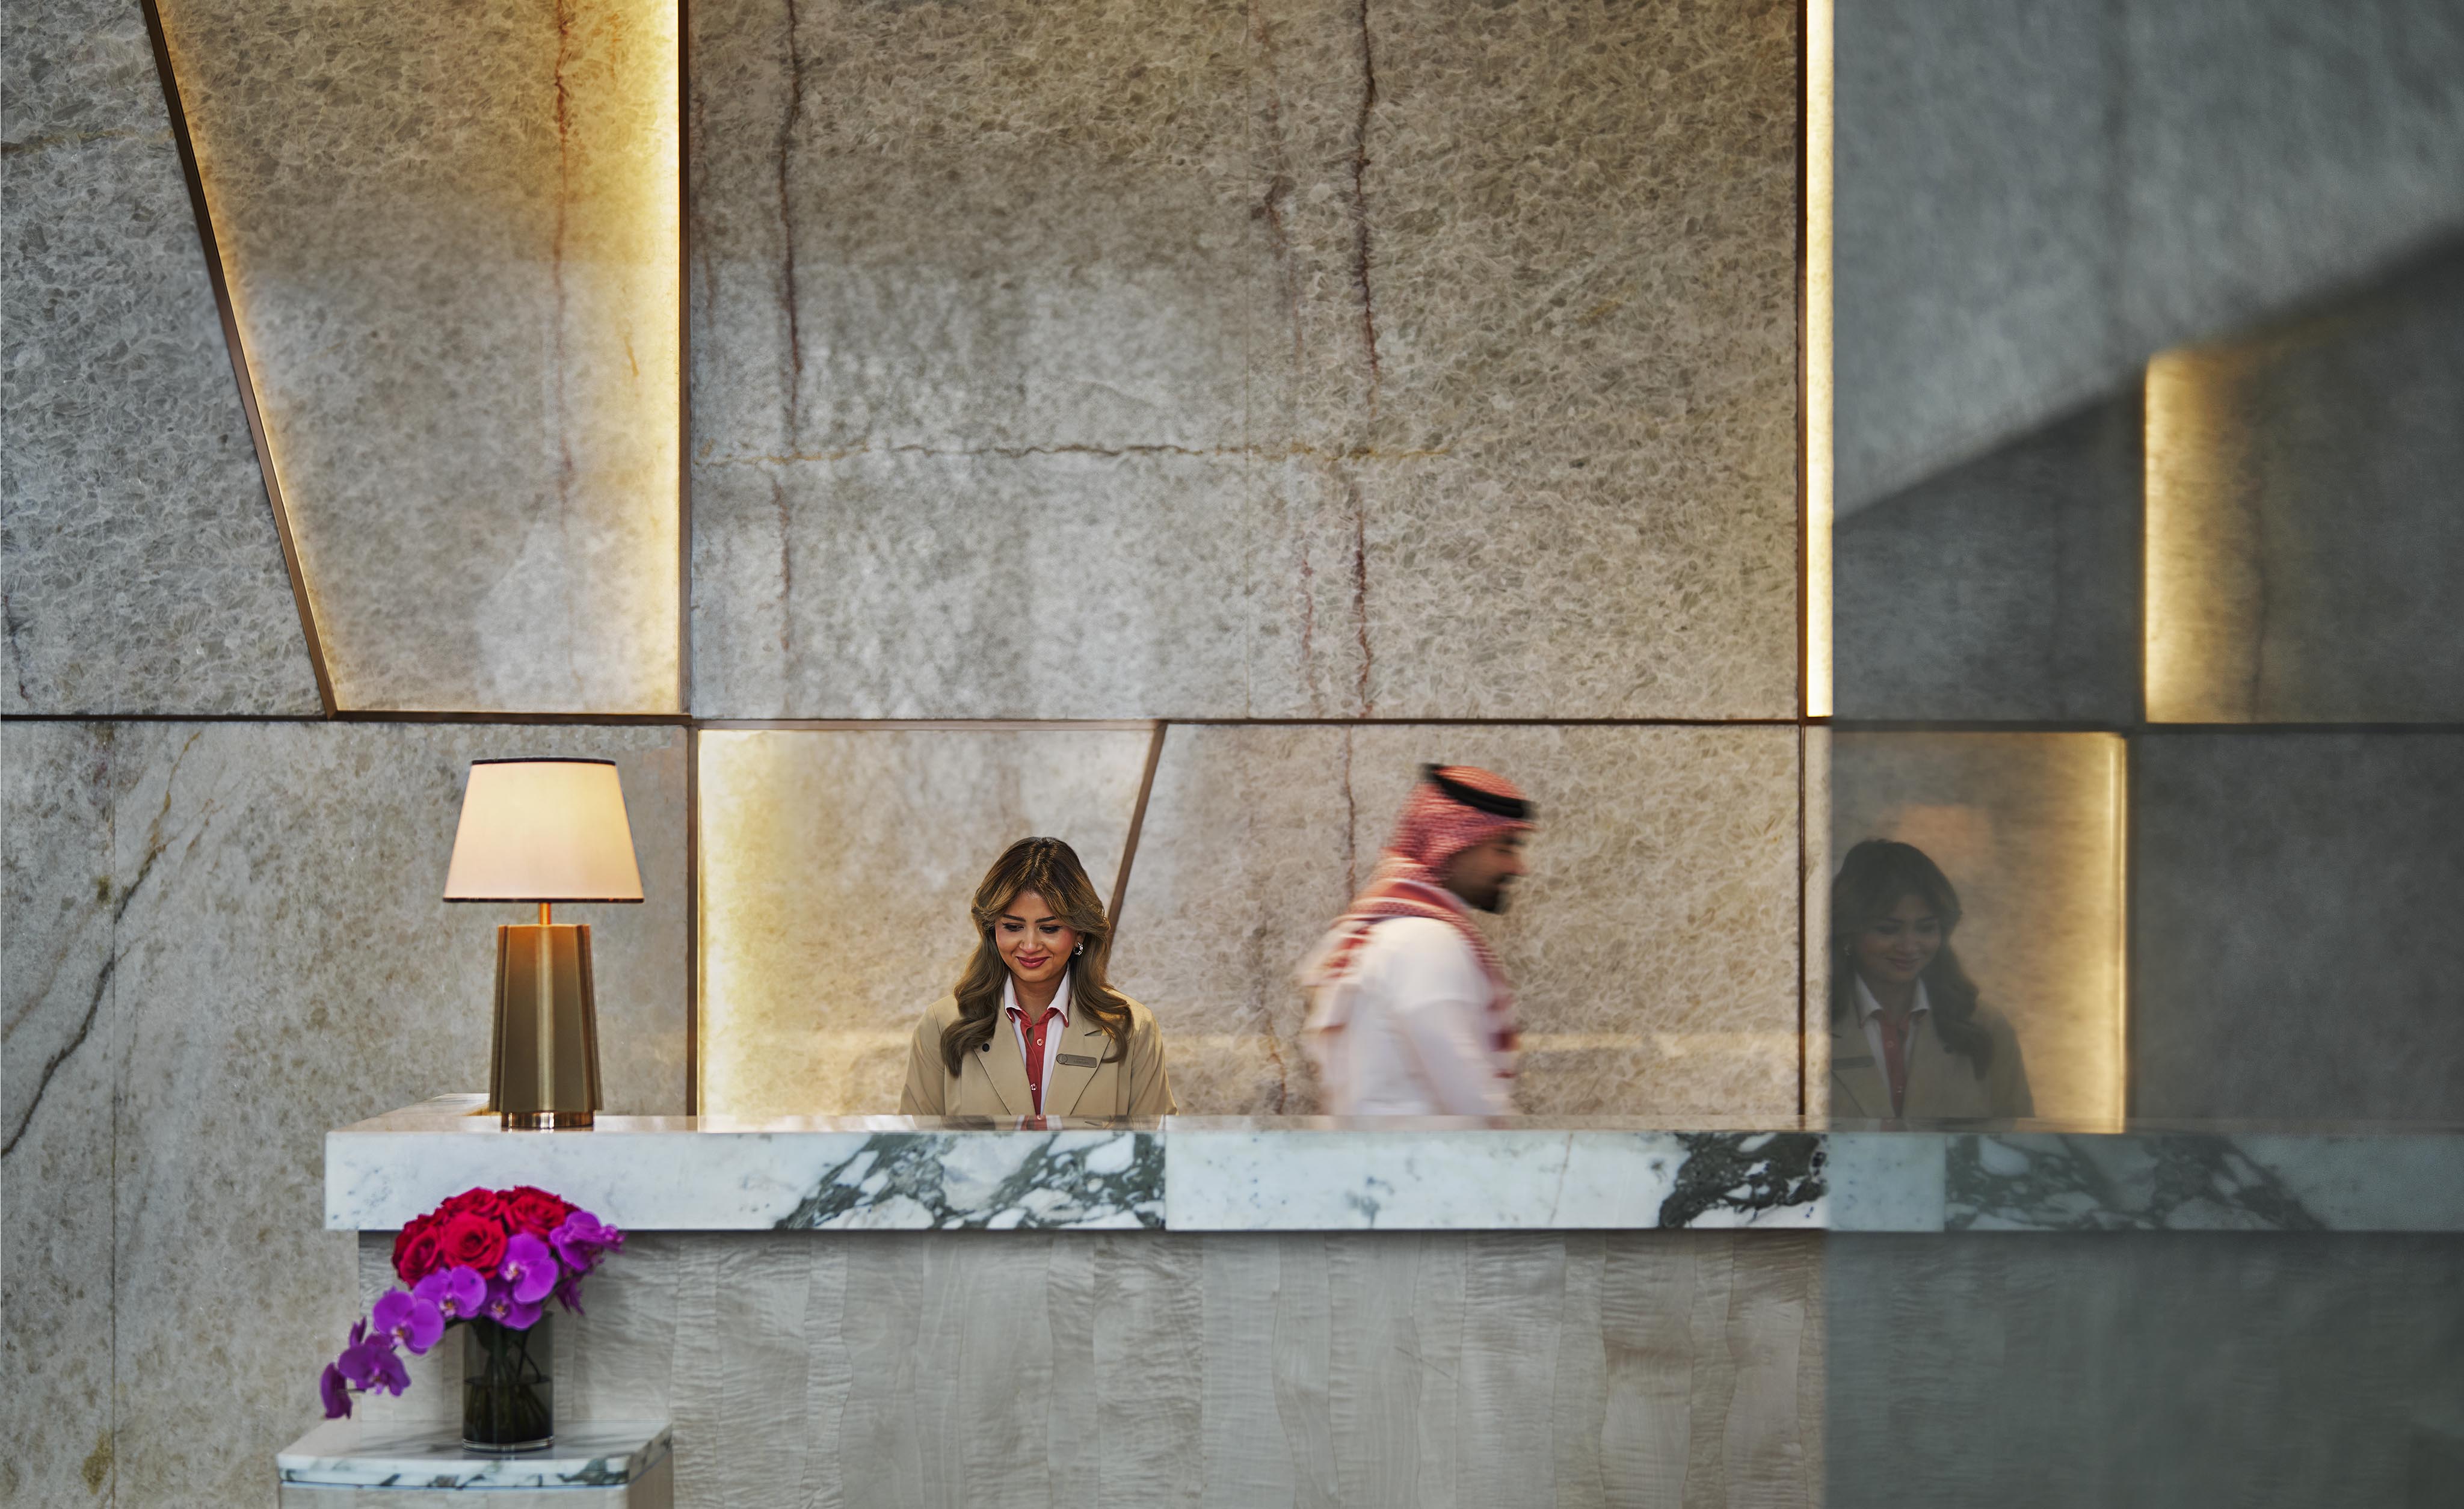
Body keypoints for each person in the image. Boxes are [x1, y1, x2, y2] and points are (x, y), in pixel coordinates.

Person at [1299, 764, 1533, 1115]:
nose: (1518, 867)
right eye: (1504, 847)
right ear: (1453, 844)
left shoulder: (1400, 932)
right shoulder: (1422, 941)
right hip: (1419, 1160)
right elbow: (1470, 1097)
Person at [899, 836, 1175, 1117]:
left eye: (1050, 928)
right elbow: (912, 1153)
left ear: (1080, 931)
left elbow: (1157, 1153)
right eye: (1013, 926)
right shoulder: (940, 1024)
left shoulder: (1134, 1028)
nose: (1030, 946)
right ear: (992, 930)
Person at [1826, 838, 2032, 1119]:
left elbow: (2018, 1144)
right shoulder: (1809, 1028)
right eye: (1888, 930)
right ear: (1849, 931)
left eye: (1926, 929)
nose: (1910, 946)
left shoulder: (1986, 1027)